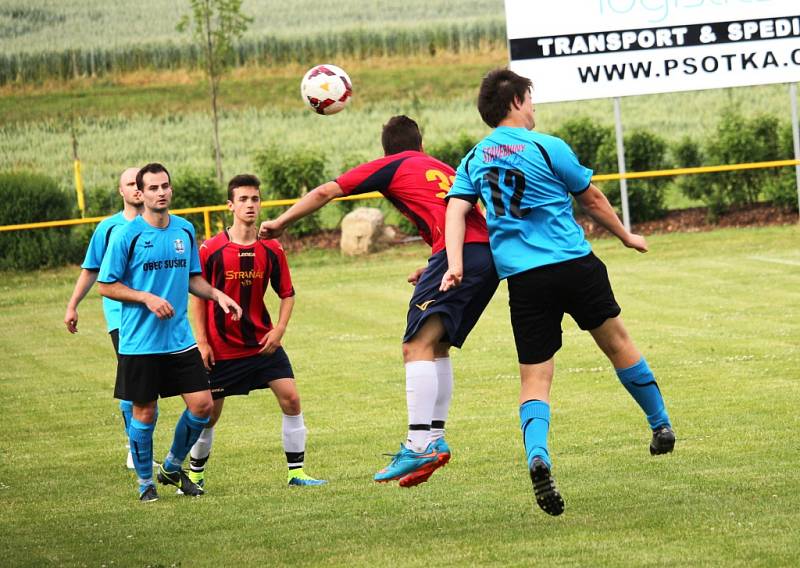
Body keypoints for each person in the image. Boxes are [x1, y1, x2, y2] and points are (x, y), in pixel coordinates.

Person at [441, 69, 675, 517]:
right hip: (574, 265)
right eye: (530, 99)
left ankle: (539, 455)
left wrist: (454, 265)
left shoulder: (473, 158)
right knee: (618, 344)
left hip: (526, 280)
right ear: (515, 101)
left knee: (535, 378)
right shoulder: (547, 146)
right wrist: (625, 236)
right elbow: (593, 199)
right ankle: (660, 423)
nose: (534, 107)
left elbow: (456, 209)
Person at [259, 116, 498, 487]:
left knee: (415, 345)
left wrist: (281, 223)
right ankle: (433, 437)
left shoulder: (393, 164)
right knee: (437, 346)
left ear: (386, 148)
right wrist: (435, 263)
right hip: (484, 257)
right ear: (421, 143)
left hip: (462, 254)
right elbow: (464, 216)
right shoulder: (440, 167)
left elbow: (326, 191)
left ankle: (419, 443)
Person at [97, 162, 242, 503]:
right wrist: (145, 297)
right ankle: (145, 482)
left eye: (165, 186)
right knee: (144, 412)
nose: (160, 193)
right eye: (153, 188)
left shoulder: (184, 230)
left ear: (170, 190)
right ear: (142, 194)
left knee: (202, 405)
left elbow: (193, 278)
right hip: (140, 342)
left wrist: (218, 295)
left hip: (179, 339)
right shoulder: (125, 235)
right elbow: (106, 285)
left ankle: (172, 466)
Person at [187, 174, 326, 488]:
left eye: (255, 199)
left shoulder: (272, 248)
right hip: (221, 348)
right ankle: (195, 476)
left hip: (263, 344)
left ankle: (296, 474)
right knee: (208, 415)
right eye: (243, 200)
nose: (250, 205)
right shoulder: (211, 249)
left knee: (291, 399)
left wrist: (279, 330)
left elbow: (287, 293)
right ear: (230, 205)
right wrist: (202, 342)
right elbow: (197, 296)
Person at [64, 167, 154, 469]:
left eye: (139, 183)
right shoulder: (109, 228)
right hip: (122, 318)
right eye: (130, 184)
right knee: (134, 382)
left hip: (157, 317)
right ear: (122, 192)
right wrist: (73, 305)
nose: (137, 189)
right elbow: (91, 269)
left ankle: (139, 446)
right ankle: (136, 449)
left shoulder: (159, 224)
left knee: (151, 384)